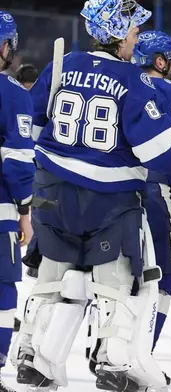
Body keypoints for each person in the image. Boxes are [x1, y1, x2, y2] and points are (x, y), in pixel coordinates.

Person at [13, 1, 171, 391]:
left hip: (52, 193)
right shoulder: (134, 81)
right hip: (108, 199)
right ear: (116, 32)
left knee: (52, 280)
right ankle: (113, 363)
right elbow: (161, 153)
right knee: (118, 283)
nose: (134, 38)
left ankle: (33, 357)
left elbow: (34, 125)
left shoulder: (62, 65)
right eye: (131, 31)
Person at [132, 30, 171, 358]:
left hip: (118, 188)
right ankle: (142, 357)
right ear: (159, 60)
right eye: (169, 57)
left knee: (119, 279)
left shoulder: (126, 84)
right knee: (166, 278)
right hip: (157, 191)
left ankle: (109, 354)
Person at [0, 11, 35, 392]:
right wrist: (25, 210)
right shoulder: (11, 94)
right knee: (2, 291)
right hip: (0, 215)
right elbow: (18, 164)